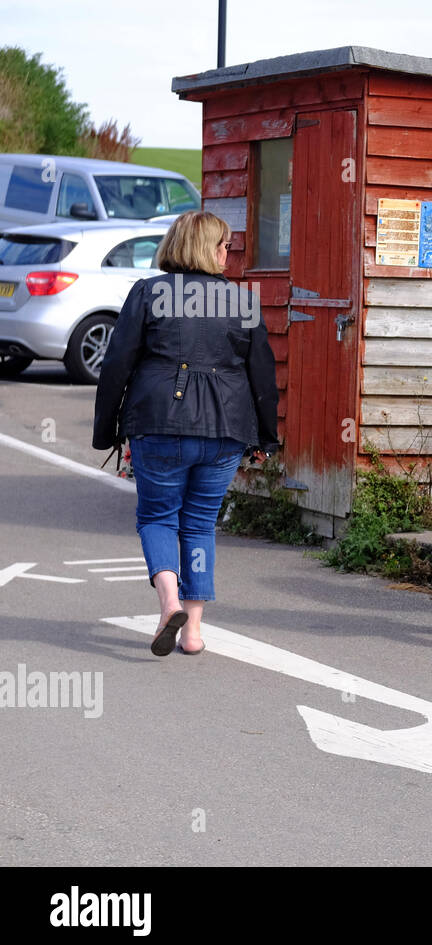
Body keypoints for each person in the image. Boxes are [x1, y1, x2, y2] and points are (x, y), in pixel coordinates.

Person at [92, 210, 279, 657]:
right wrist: (266, 438)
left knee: (158, 517)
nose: (227, 254)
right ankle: (193, 631)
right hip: (225, 429)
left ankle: (169, 603)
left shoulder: (148, 293)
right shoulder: (242, 301)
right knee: (199, 525)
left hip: (159, 424)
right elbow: (263, 375)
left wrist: (107, 430)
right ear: (210, 249)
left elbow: (117, 363)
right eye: (224, 246)